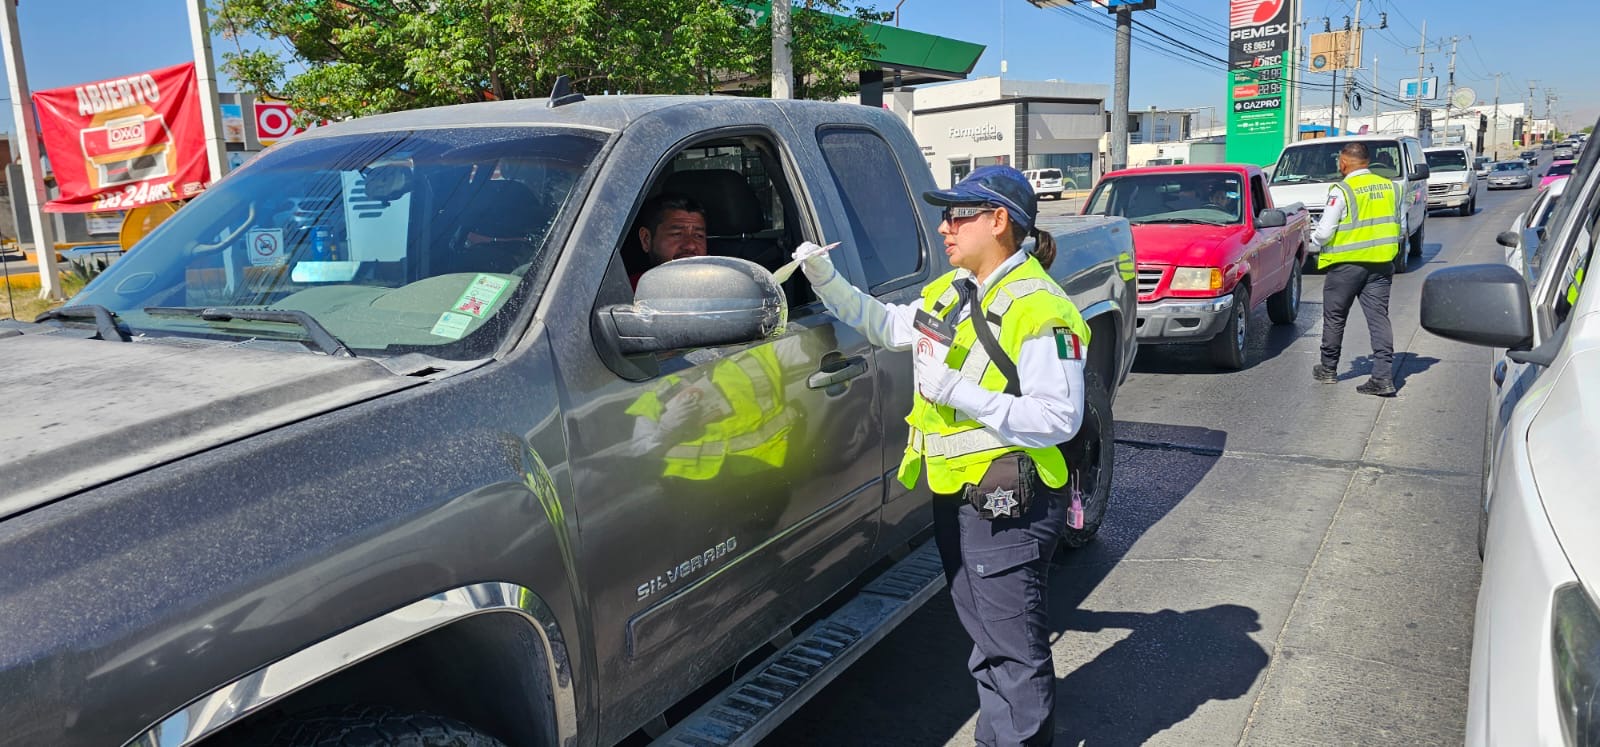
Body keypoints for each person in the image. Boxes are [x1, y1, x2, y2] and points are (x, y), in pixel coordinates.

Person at [795, 165, 1091, 746]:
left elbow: (1060, 417)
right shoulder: (952, 292)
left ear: (999, 221)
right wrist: (824, 279)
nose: (944, 228)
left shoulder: (1041, 308)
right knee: (986, 640)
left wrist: (959, 392)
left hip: (1013, 501)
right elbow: (885, 325)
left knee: (1013, 651)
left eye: (957, 216)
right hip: (961, 495)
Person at [1307, 142, 1404, 396]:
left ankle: (1328, 369)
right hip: (1381, 263)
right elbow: (1400, 225)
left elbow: (1324, 232)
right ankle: (1382, 378)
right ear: (1367, 161)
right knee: (1379, 318)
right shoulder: (1391, 187)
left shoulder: (1342, 190)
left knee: (1335, 317)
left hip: (1346, 266)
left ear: (1343, 162)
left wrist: (1313, 241)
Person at [627, 193, 708, 288]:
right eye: (677, 234)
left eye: (698, 236)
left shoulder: (719, 287)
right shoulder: (631, 291)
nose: (691, 245)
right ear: (646, 239)